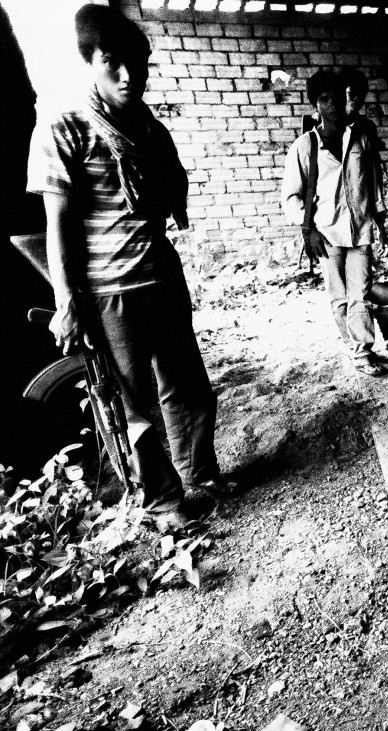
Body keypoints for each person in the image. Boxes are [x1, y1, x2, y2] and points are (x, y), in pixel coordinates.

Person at [27, 4, 234, 532]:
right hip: (109, 291)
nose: (128, 76)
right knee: (132, 404)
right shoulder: (64, 125)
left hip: (162, 278)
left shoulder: (148, 128)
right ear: (90, 63)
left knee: (187, 386)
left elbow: (171, 191)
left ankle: (200, 475)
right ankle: (165, 503)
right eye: (112, 63)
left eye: (137, 64)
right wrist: (68, 302)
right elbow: (58, 223)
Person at [281, 70, 388, 376]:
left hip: (361, 228)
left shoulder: (361, 138)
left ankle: (364, 348)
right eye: (324, 99)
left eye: (337, 98)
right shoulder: (304, 147)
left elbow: (374, 182)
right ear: (316, 104)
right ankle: (356, 348)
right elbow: (291, 197)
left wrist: (381, 222)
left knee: (362, 293)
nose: (332, 105)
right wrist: (309, 230)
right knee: (339, 296)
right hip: (327, 233)